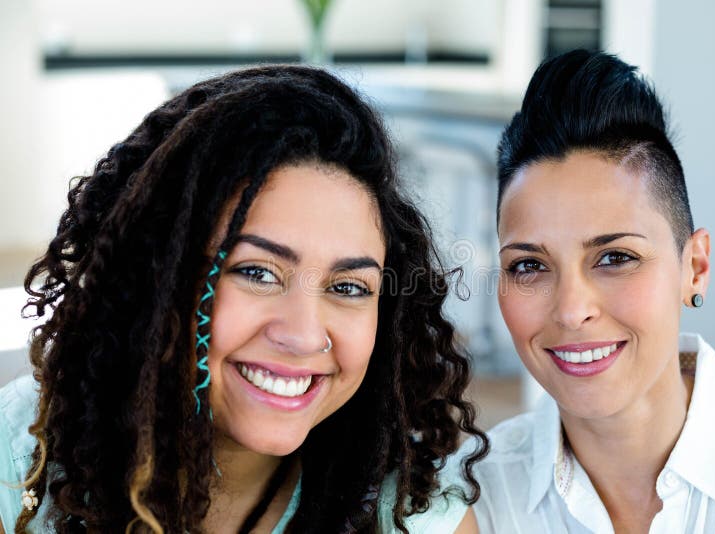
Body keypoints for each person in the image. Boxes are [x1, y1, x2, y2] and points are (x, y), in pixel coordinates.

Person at [0, 65, 488, 533]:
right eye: (257, 272)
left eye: (347, 288)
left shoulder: (416, 515)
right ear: (158, 279)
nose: (302, 335)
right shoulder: (19, 459)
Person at [462, 49, 715, 532]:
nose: (572, 310)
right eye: (530, 265)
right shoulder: (475, 502)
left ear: (695, 268)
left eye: (615, 258)